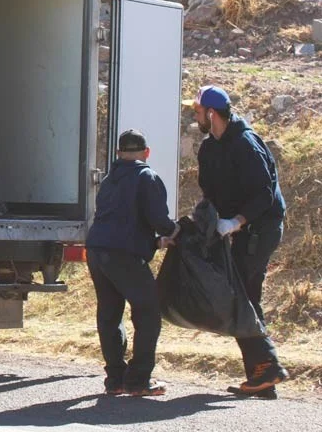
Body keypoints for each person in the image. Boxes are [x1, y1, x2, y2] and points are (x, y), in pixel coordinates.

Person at [185, 86, 289, 397]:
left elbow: (264, 194)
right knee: (243, 296)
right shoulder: (210, 148)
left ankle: (267, 367)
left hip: (261, 228)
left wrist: (236, 222)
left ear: (212, 114)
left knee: (241, 297)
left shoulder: (246, 144)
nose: (196, 116)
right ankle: (262, 377)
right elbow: (210, 192)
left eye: (198, 111)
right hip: (238, 229)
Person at [86, 129, 180, 397]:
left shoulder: (108, 180)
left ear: (118, 154)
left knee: (109, 312)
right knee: (148, 311)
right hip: (122, 254)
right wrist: (174, 232)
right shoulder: (146, 176)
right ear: (146, 152)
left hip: (96, 250)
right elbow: (158, 221)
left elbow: (119, 221)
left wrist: (153, 243)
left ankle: (115, 378)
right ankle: (138, 380)